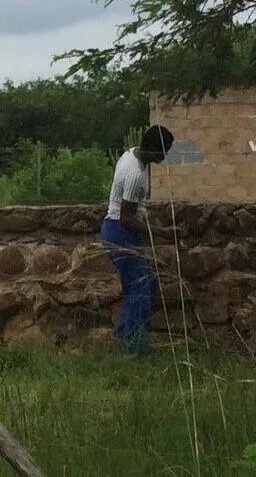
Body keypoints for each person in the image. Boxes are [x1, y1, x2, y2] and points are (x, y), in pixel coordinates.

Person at [100, 124, 175, 357]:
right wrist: (160, 232)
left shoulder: (131, 154)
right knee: (140, 290)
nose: (165, 157)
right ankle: (130, 347)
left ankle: (130, 341)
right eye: (164, 151)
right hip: (120, 232)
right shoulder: (135, 174)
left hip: (116, 229)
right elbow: (126, 219)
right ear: (153, 149)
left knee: (147, 284)